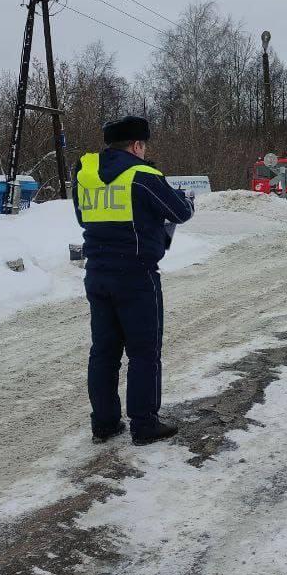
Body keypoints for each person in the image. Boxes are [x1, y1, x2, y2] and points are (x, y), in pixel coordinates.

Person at [73, 116, 195, 446]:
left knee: (104, 352)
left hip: (97, 272)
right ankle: (144, 424)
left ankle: (105, 423)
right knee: (144, 352)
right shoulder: (143, 176)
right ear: (137, 145)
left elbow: (83, 216)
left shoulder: (83, 173)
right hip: (137, 274)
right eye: (145, 146)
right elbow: (180, 212)